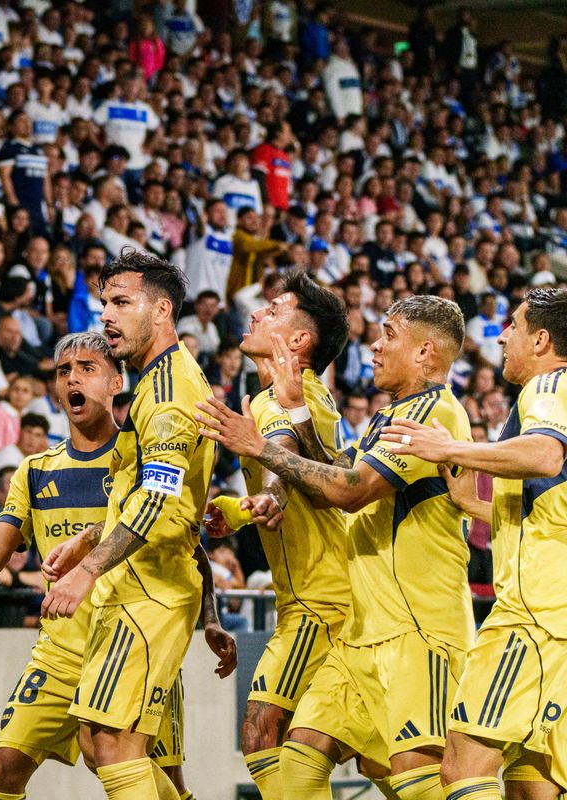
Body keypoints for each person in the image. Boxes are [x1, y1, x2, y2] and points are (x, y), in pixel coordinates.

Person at [0, 332, 235, 799]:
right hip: (60, 647)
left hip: (132, 636)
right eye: (65, 371)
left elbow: (184, 542)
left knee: (144, 765)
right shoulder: (37, 470)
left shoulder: (143, 459)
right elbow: (0, 544)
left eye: (87, 368)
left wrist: (210, 619)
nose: (73, 378)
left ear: (116, 381)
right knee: (4, 766)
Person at [197, 295, 474, 799]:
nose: (375, 343)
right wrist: (297, 410)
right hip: (364, 634)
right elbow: (329, 480)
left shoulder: (432, 418)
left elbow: (349, 491)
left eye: (389, 334)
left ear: (425, 352)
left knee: (419, 785)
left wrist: (259, 446)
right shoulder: (387, 418)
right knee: (299, 758)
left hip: (419, 631)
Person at [377, 288, 567, 800]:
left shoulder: (549, 385)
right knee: (535, 780)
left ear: (542, 339)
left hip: (536, 616)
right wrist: (474, 505)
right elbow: (551, 505)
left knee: (463, 762)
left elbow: (547, 456)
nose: (503, 336)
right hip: (555, 615)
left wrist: (451, 447)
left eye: (515, 326)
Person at [40, 251, 217, 800]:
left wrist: (87, 570)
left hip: (152, 587)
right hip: (142, 581)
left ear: (161, 309)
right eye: (105, 304)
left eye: (122, 303)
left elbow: (159, 499)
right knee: (101, 744)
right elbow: (142, 492)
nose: (108, 317)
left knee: (113, 744)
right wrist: (89, 537)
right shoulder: (158, 380)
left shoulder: (167, 393)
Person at [201, 271, 351, 799]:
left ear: (298, 340)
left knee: (262, 733)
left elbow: (283, 453)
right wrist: (242, 510)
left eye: (274, 308)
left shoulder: (293, 399)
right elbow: (293, 471)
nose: (258, 313)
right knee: (373, 757)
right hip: (311, 599)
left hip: (321, 600)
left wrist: (267, 493)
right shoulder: (283, 397)